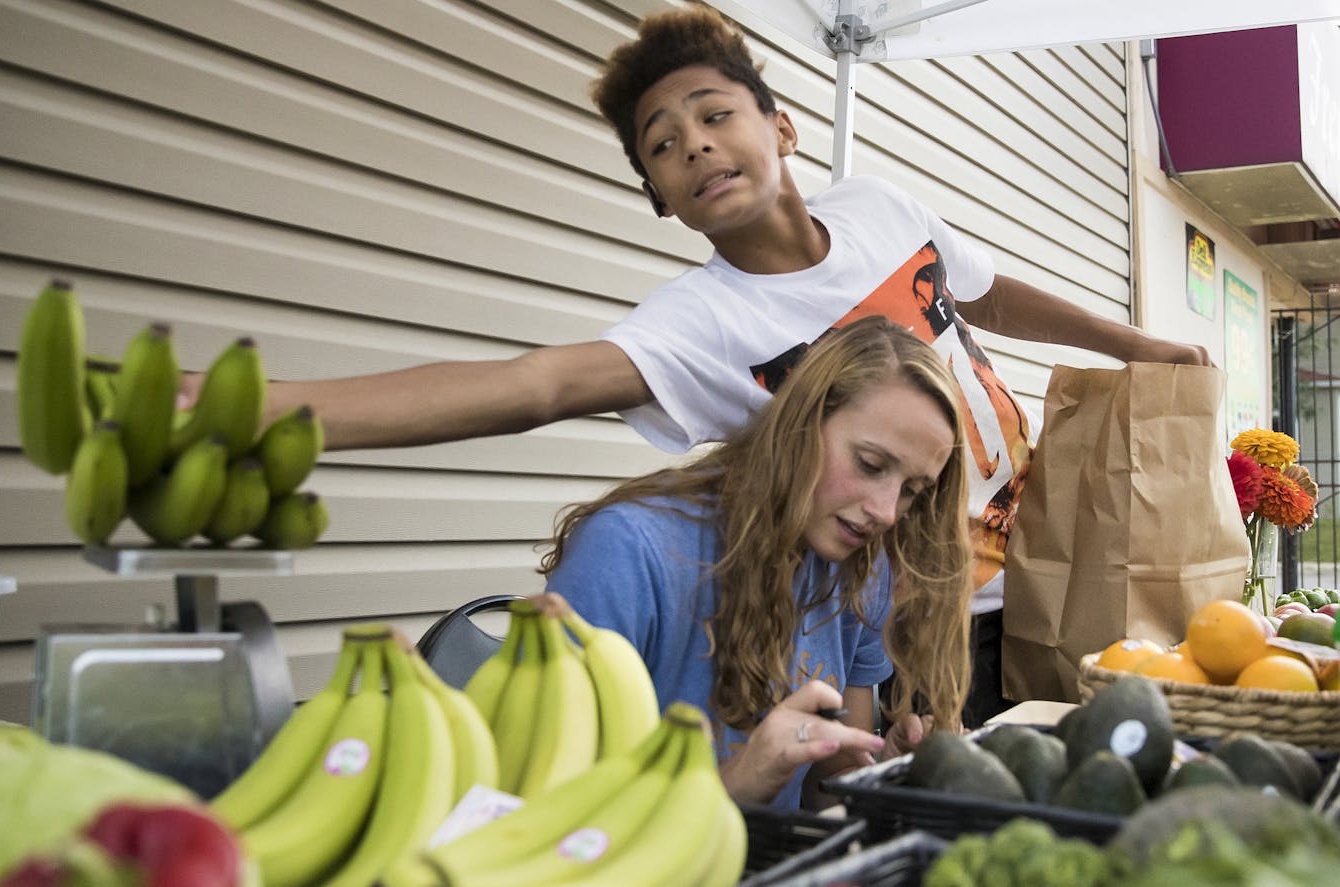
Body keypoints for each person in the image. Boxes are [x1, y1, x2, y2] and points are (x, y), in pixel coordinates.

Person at [186, 7, 1210, 723]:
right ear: (660, 198)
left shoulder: (879, 208)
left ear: (780, 125)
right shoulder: (703, 323)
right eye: (661, 145)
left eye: (714, 114)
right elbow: (533, 386)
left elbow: (984, 292)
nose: (695, 146)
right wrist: (270, 409)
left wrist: (1139, 344)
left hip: (1043, 568)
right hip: (897, 624)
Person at [540, 316, 974, 809]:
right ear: (800, 422)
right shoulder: (628, 551)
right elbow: (545, 816)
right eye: (870, 465)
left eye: (911, 491)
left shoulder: (863, 570)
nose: (885, 511)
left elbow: (822, 789)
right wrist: (740, 781)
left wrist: (885, 772)